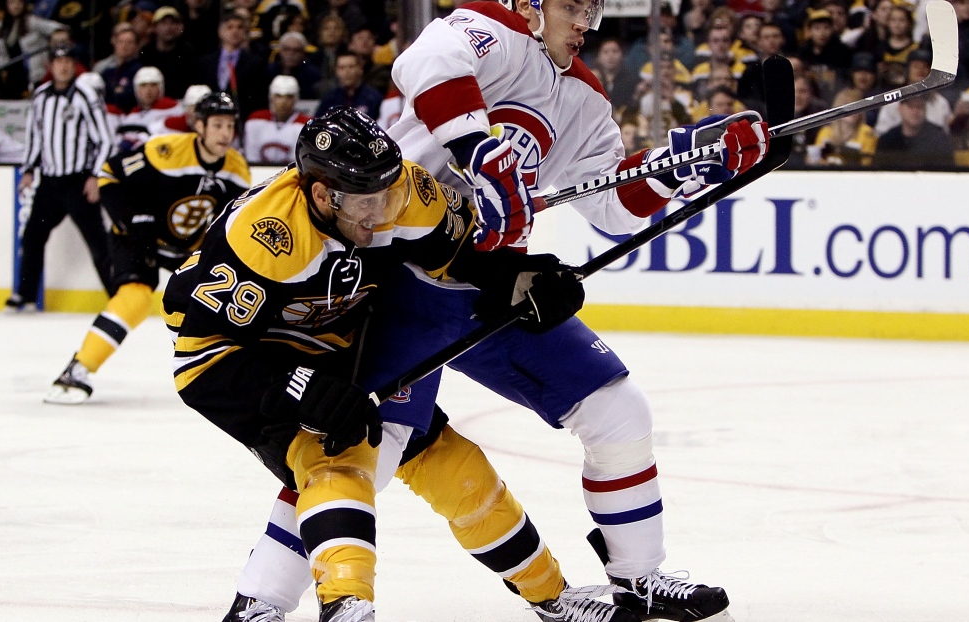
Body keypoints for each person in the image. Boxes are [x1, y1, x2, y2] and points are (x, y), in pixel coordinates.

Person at [223, 0, 770, 621]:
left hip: (491, 282)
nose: (586, 18)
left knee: (618, 409)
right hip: (399, 278)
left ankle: (639, 576)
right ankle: (261, 601)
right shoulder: (491, 30)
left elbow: (614, 205)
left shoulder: (585, 99)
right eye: (573, 5)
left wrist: (687, 166)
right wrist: (477, 148)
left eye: (593, 6)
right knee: (367, 448)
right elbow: (423, 63)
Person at [167, 107, 604, 622]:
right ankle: (340, 604)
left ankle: (551, 593)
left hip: (343, 350)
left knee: (453, 466)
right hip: (252, 365)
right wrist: (303, 389)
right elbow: (203, 359)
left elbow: (457, 257)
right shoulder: (266, 238)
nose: (383, 213)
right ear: (322, 195)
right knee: (337, 459)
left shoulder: (399, 193)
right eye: (367, 202)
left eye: (388, 193)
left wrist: (526, 280)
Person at [46, 93, 250, 404]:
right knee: (136, 297)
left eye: (230, 126)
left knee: (220, 303)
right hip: (138, 238)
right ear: (199, 126)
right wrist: (132, 221)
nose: (225, 133)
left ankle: (233, 377)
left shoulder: (237, 170)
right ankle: (77, 369)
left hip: (184, 249)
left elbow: (228, 223)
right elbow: (110, 174)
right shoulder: (165, 151)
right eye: (218, 125)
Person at [7, 45, 114, 312]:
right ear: (50, 66)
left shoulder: (84, 95)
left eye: (68, 61)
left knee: (98, 242)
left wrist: (94, 176)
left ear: (74, 65)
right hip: (50, 182)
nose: (63, 66)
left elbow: (104, 139)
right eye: (58, 61)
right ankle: (26, 295)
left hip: (78, 181)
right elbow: (35, 136)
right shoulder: (41, 96)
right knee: (32, 236)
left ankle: (118, 295)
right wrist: (29, 169)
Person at [196, 12, 269, 120]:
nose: (235, 31)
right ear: (220, 32)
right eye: (230, 27)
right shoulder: (205, 62)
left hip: (241, 120)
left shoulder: (256, 63)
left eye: (240, 27)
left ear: (245, 32)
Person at [112, 66, 183, 152]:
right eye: (143, 85)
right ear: (136, 89)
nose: (148, 91)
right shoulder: (133, 115)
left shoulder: (174, 109)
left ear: (160, 88)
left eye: (153, 85)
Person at [873, 94, 953, 168]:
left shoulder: (938, 138)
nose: (915, 111)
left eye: (919, 107)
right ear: (900, 108)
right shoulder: (887, 140)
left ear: (925, 110)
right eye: (910, 106)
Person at [244, 75, 309, 164]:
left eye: (289, 97)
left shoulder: (305, 125)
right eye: (279, 96)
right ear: (271, 97)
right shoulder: (255, 121)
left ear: (296, 99)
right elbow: (252, 159)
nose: (283, 102)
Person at [139, 6, 198, 100]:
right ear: (154, 27)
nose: (168, 27)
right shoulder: (146, 52)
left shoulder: (187, 52)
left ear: (180, 27)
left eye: (173, 23)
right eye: (163, 23)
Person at [314, 50, 383, 120]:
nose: (347, 72)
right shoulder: (329, 98)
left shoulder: (373, 97)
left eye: (351, 67)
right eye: (342, 68)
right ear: (336, 71)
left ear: (360, 69)